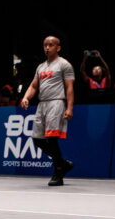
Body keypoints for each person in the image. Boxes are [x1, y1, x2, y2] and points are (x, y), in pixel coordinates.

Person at [20, 36, 75, 187]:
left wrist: (69, 108)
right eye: (45, 45)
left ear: (58, 48)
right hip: (42, 104)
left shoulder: (64, 65)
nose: (47, 48)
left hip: (56, 103)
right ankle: (63, 164)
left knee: (52, 139)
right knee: (37, 139)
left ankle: (58, 172)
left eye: (51, 45)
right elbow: (33, 86)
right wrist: (26, 97)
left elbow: (69, 88)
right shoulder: (41, 67)